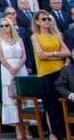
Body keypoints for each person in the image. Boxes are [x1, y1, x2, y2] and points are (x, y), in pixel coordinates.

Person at [31, 10, 69, 140]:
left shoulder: (56, 35)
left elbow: (67, 52)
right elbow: (41, 55)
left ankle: (65, 132)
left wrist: (51, 55)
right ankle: (54, 133)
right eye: (43, 19)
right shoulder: (35, 36)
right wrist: (57, 55)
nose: (46, 21)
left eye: (48, 19)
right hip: (46, 73)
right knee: (51, 105)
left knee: (62, 103)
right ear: (37, 21)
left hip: (60, 72)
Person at [0, 16, 28, 137]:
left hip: (20, 68)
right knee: (12, 96)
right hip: (7, 69)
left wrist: (18, 66)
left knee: (24, 96)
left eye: (6, 25)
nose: (4, 28)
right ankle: (18, 128)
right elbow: (0, 57)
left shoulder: (19, 39)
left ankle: (27, 127)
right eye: (1, 26)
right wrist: (10, 68)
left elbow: (24, 56)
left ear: (11, 26)